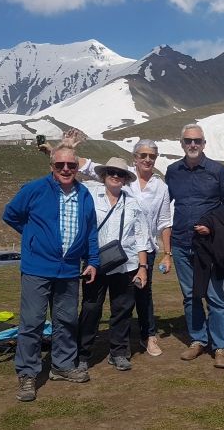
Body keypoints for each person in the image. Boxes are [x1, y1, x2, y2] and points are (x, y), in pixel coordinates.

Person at [41, 132, 173, 357]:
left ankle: (144, 337)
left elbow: (163, 222)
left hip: (138, 253)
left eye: (152, 156)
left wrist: (165, 253)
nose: (147, 159)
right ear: (135, 157)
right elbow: (71, 169)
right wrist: (61, 148)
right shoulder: (95, 190)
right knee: (93, 304)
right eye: (143, 155)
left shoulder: (160, 187)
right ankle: (84, 351)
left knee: (138, 299)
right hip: (98, 255)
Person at [3, 144, 98, 402]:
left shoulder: (84, 194)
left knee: (66, 320)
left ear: (77, 168)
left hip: (69, 270)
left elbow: (90, 230)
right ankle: (27, 374)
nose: (66, 169)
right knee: (32, 322)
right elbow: (10, 214)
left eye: (71, 165)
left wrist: (92, 261)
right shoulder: (34, 189)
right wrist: (33, 236)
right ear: (51, 167)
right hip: (37, 268)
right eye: (60, 165)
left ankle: (62, 365)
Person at [165, 124, 224, 368]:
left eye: (197, 141)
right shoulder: (172, 171)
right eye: (188, 141)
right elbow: (165, 205)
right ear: (182, 143)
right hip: (181, 243)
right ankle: (197, 340)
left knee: (216, 296)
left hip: (210, 244)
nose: (193, 145)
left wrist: (213, 224)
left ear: (204, 143)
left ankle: (220, 346)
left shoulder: (218, 170)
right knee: (190, 295)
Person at [77, 158, 149, 372]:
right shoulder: (89, 193)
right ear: (104, 174)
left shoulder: (134, 203)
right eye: (111, 172)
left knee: (122, 310)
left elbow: (141, 237)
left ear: (126, 178)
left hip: (125, 265)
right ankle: (83, 353)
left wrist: (143, 268)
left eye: (120, 173)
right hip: (95, 263)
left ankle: (118, 352)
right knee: (90, 309)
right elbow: (64, 179)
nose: (115, 176)